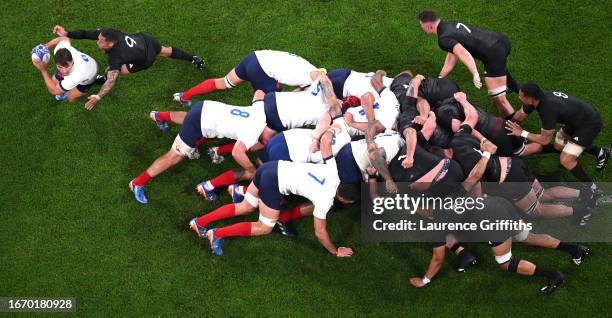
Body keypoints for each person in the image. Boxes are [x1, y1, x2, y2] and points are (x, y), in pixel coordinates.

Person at [129, 95, 273, 204]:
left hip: (205, 107)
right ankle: (138, 183)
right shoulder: (252, 135)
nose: (267, 142)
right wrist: (252, 170)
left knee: (189, 118)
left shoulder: (261, 115)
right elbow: (237, 152)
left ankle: (159, 116)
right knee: (174, 156)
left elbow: (259, 94)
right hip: (200, 123)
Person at [506, 83, 609, 212]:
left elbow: (544, 140)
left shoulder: (547, 109)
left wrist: (522, 133)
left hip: (588, 124)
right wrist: (504, 127)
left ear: (530, 98)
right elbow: (519, 116)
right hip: (575, 120)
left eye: (521, 96)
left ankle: (591, 188)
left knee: (566, 159)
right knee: (559, 146)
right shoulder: (536, 99)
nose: (519, 97)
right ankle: (600, 151)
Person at [53, 25, 204, 110]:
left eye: (100, 42)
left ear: (110, 44)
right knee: (166, 51)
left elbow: (111, 81)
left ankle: (99, 78)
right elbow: (87, 33)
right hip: (146, 40)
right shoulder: (109, 33)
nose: (97, 42)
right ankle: (193, 58)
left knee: (113, 72)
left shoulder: (116, 57)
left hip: (145, 59)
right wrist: (67, 33)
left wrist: (98, 96)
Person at [418, 10, 517, 117]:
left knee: (499, 99)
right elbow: (452, 55)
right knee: (499, 68)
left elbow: (463, 53)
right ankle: (514, 88)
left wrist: (475, 73)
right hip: (501, 40)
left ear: (429, 27)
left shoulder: (443, 39)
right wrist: (440, 78)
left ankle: (512, 128)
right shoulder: (449, 25)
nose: (421, 28)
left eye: (421, 25)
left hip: (493, 53)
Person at [173, 50, 324, 105]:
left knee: (224, 82)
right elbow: (302, 91)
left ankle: (184, 96)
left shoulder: (308, 68)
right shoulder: (312, 77)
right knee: (275, 106)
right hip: (261, 71)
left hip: (255, 57)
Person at [31, 37, 99, 102]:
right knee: (53, 82)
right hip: (86, 64)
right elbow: (64, 39)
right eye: (60, 67)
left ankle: (97, 79)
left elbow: (54, 91)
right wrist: (46, 47)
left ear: (72, 60)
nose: (64, 71)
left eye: (66, 66)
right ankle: (65, 87)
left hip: (89, 75)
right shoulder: (60, 50)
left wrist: (44, 70)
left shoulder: (77, 74)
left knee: (71, 98)